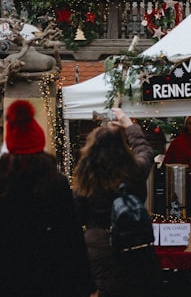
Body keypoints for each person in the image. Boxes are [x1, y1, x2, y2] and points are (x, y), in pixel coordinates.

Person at [0, 100, 96, 297]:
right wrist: (86, 284)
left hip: (9, 277)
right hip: (50, 276)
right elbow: (71, 236)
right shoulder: (55, 183)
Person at [72, 108, 156, 297]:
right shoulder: (134, 171)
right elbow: (145, 151)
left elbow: (75, 219)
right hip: (132, 243)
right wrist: (129, 126)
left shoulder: (86, 179)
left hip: (98, 246)